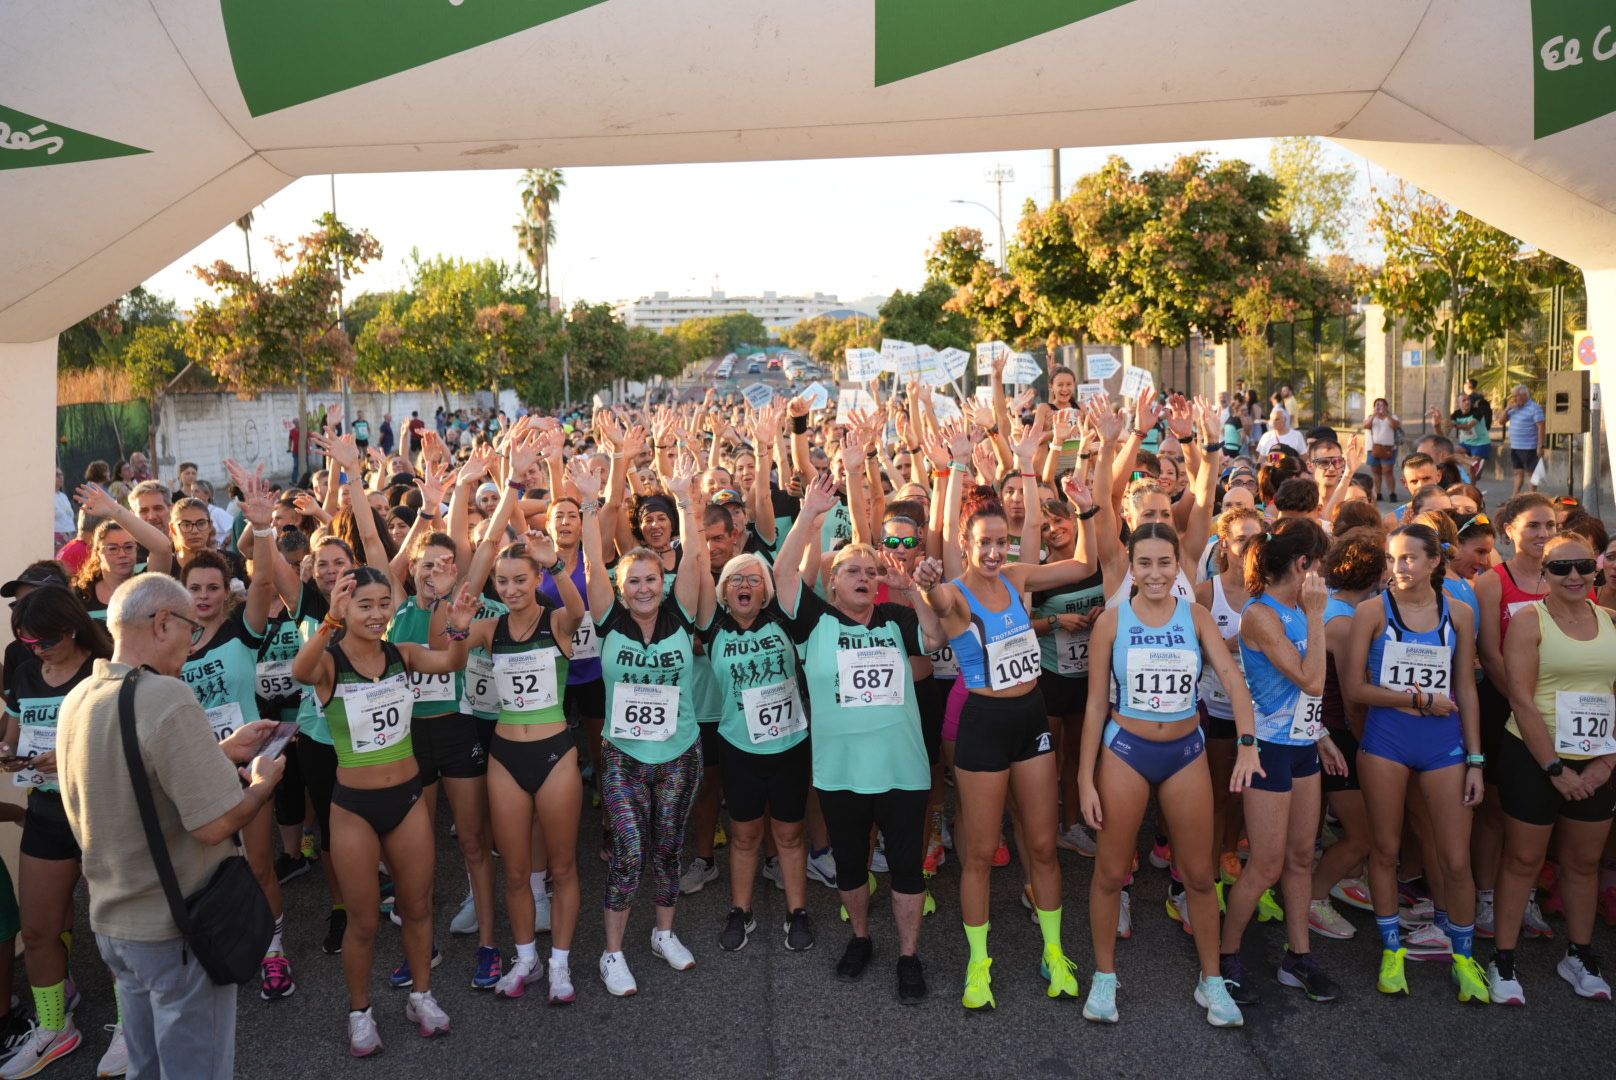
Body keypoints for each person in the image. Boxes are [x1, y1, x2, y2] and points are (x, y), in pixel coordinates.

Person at [56, 573, 284, 1080]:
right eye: (192, 628)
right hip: (178, 926)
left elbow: (129, 778)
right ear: (162, 623)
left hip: (115, 925)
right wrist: (262, 784)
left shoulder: (81, 696)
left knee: (146, 1067)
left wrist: (223, 753)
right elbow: (217, 823)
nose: (194, 640)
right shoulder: (165, 697)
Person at [291, 565, 476, 1056]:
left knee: (417, 908)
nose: (376, 614)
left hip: (408, 799)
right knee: (364, 921)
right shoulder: (329, 662)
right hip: (354, 807)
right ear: (346, 607)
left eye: (382, 604)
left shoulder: (403, 654)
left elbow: (454, 662)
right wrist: (328, 621)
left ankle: (422, 995)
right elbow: (300, 673)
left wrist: (457, 624)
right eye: (364, 604)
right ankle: (360, 1011)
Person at [1079, 522, 1258, 1027]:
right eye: (1144, 563)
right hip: (1126, 751)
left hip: (1184, 752)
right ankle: (1105, 978)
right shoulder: (1110, 624)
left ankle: (1211, 980)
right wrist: (1083, 779)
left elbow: (1233, 684)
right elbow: (1095, 706)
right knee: (1112, 873)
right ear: (1130, 568)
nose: (1155, 573)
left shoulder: (1196, 617)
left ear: (1179, 564)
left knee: (1199, 876)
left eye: (1164, 562)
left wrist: (1247, 745)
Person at [775, 473, 942, 1005]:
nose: (865, 577)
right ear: (831, 582)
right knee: (850, 866)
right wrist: (809, 517)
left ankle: (909, 955)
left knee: (906, 869)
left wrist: (919, 590)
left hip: (902, 770)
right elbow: (782, 574)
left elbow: (936, 640)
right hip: (840, 771)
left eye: (872, 571)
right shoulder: (814, 623)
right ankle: (861, 938)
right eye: (852, 570)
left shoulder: (896, 617)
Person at [578, 452, 712, 997]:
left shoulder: (679, 613)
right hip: (622, 757)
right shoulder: (609, 619)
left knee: (668, 849)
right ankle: (612, 954)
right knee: (630, 851)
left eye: (651, 579)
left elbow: (697, 557)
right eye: (632, 580)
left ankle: (662, 934)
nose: (642, 588)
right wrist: (589, 504)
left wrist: (685, 500)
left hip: (679, 752)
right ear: (620, 585)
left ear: (663, 579)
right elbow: (590, 563)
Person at [450, 466, 585, 1002]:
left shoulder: (556, 620)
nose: (509, 590)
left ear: (536, 581)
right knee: (516, 872)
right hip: (505, 753)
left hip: (555, 751)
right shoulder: (489, 627)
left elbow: (579, 610)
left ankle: (561, 964)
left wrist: (555, 565)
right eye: (501, 582)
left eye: (520, 581)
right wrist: (460, 621)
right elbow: (453, 660)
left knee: (562, 865)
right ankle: (525, 957)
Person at [1342, 523, 1488, 1002]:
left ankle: (1464, 959)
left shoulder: (1461, 613)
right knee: (1384, 849)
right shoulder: (1370, 611)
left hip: (1444, 742)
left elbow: (1465, 688)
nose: (1398, 568)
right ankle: (1391, 950)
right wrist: (1420, 699)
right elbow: (1355, 690)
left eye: (1408, 558)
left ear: (1433, 562)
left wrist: (1476, 759)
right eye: (1393, 558)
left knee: (1455, 857)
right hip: (1388, 740)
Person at [1219, 517, 1349, 1007]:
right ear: (1302, 564)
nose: (1325, 576)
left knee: (1301, 858)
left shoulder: (1296, 610)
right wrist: (1317, 617)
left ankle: (1299, 957)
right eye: (1320, 565)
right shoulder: (1262, 615)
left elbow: (1307, 701)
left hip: (1301, 748)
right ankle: (1226, 956)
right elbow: (1312, 681)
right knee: (1266, 865)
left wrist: (1321, 735)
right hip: (1268, 751)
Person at [1489, 533, 1616, 1004]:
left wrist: (1605, 764)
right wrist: (1554, 766)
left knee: (1582, 863)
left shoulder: (1612, 622)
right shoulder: (1529, 620)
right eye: (1560, 568)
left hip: (1596, 758)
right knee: (1523, 860)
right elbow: (1520, 697)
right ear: (1544, 574)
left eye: (1582, 565)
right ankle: (1503, 958)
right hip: (1533, 752)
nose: (1574, 576)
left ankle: (1579, 953)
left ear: (1595, 569)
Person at [1501, 385, 1546, 497]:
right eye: (1513, 396)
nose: (1514, 399)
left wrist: (1540, 446)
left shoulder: (1535, 408)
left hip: (1529, 447)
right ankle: (1515, 497)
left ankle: (1531, 497)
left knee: (1532, 474)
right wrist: (1507, 409)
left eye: (1517, 396)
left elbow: (1541, 427)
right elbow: (1501, 421)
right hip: (1516, 447)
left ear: (1525, 395)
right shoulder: (1513, 409)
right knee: (1517, 472)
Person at [1365, 399, 1402, 502]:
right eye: (1377, 405)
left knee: (1387, 470)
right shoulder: (1371, 417)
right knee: (1376, 471)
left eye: (1382, 405)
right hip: (1373, 448)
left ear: (1386, 406)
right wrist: (1374, 415)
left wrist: (1386, 415)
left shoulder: (1392, 416)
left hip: (1388, 449)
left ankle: (1392, 493)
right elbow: (1366, 426)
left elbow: (1395, 425)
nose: (1380, 407)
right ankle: (1378, 492)